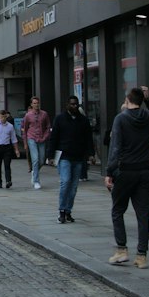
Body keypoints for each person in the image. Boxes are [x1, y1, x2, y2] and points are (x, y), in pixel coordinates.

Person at [105, 86, 149, 267]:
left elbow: (115, 147)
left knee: (118, 210)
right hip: (146, 171)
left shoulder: (121, 119)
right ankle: (141, 256)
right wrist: (148, 99)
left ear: (127, 101)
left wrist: (109, 172)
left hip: (126, 171)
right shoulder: (148, 117)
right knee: (143, 214)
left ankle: (121, 250)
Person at [50, 95, 96, 223]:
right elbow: (54, 137)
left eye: (76, 104)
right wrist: (50, 156)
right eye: (72, 104)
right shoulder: (60, 119)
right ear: (67, 105)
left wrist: (91, 154)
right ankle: (62, 210)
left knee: (74, 186)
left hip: (78, 157)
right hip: (64, 156)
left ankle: (68, 210)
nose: (74, 106)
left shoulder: (83, 120)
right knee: (65, 182)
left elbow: (88, 139)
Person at [22, 95, 52, 189]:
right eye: (34, 103)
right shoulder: (28, 115)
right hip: (31, 138)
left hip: (42, 138)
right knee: (35, 159)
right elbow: (25, 129)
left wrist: (46, 136)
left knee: (42, 160)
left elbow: (48, 126)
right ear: (31, 104)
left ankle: (34, 172)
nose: (36, 105)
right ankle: (36, 181)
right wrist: (25, 142)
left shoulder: (44, 114)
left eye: (37, 103)